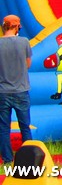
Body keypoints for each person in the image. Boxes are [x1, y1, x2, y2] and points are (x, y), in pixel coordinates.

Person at [0, 15, 32, 164]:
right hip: (21, 90)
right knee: (25, 126)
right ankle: (28, 160)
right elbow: (28, 64)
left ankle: (7, 160)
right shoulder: (24, 42)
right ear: (16, 27)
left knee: (3, 128)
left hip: (2, 92)